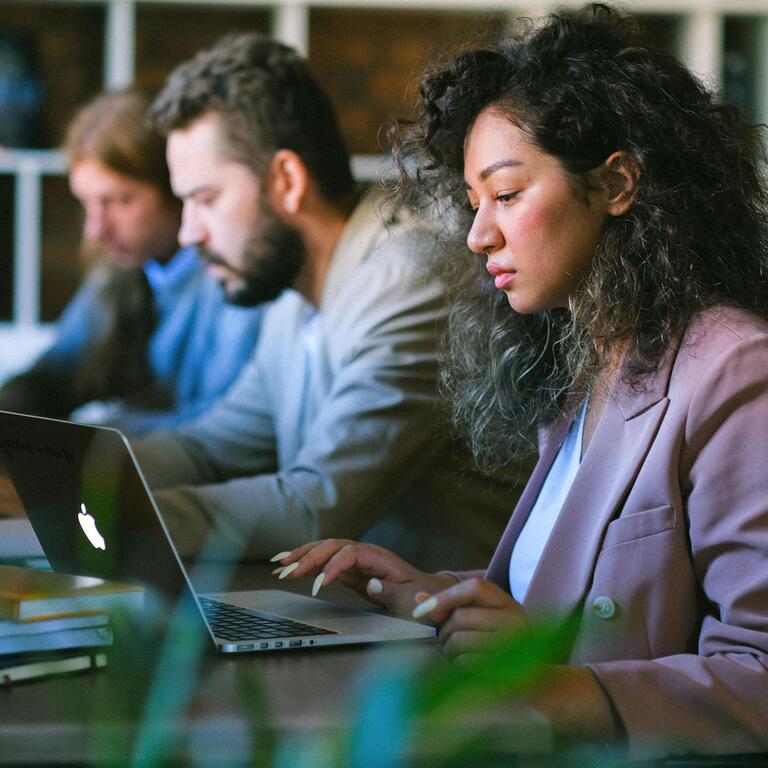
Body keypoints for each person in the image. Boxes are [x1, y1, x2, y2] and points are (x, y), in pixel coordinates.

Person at [273, 4, 768, 759]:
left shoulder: (735, 369)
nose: (478, 235)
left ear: (617, 183)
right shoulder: (592, 365)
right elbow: (573, 590)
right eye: (474, 205)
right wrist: (432, 593)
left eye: (505, 195)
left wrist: (555, 684)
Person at [128, 32, 522, 573]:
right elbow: (212, 449)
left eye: (206, 199)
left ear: (286, 181)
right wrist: (76, 469)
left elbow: (318, 505)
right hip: (357, 623)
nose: (190, 232)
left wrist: (113, 511)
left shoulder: (413, 277)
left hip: (455, 642)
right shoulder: (293, 297)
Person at [0, 90, 263, 436]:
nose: (95, 228)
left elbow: (221, 429)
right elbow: (54, 374)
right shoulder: (121, 269)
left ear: (176, 190)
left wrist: (97, 431)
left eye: (119, 201)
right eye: (87, 203)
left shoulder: (231, 278)